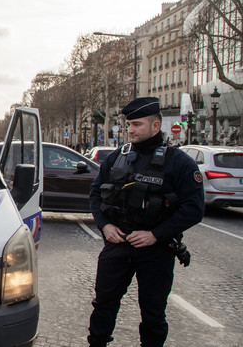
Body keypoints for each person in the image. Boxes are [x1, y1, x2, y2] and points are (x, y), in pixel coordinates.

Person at [87, 97, 204, 347]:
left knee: (153, 314)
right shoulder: (117, 157)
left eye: (137, 124)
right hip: (118, 244)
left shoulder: (180, 163)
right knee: (103, 305)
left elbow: (193, 210)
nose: (130, 130)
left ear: (155, 126)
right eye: (128, 124)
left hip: (156, 249)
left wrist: (156, 234)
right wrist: (105, 226)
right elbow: (95, 195)